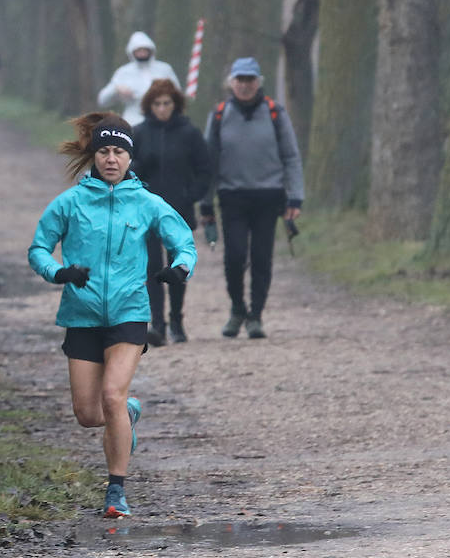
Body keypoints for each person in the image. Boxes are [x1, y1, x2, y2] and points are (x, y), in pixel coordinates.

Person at [29, 113, 196, 518]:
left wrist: (180, 269)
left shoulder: (146, 202)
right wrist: (59, 272)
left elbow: (184, 243)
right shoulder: (70, 203)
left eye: (119, 152)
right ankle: (128, 412)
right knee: (89, 415)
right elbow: (38, 249)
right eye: (103, 151)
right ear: (93, 155)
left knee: (111, 396)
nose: (111, 159)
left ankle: (116, 491)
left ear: (129, 157)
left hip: (129, 312)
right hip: (81, 314)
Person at [198, 57, 304, 340]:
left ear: (259, 82)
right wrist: (206, 202)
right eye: (240, 80)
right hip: (232, 195)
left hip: (269, 196)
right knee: (234, 256)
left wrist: (295, 198)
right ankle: (237, 308)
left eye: (250, 80)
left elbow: (291, 157)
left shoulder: (275, 113)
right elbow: (209, 161)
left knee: (261, 257)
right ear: (231, 83)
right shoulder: (219, 115)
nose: (245, 85)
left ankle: (256, 315)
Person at [132, 79, 211, 345]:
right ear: (149, 106)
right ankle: (158, 324)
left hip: (179, 210)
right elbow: (126, 171)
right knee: (152, 266)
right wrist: (139, 167)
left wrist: (191, 195)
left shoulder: (189, 133)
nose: (162, 108)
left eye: (167, 103)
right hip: (147, 212)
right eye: (157, 104)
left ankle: (176, 320)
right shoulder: (139, 133)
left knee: (177, 266)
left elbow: (205, 169)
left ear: (175, 104)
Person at [96, 32, 180, 126]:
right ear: (132, 52)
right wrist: (116, 89)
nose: (142, 53)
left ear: (151, 50)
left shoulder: (164, 69)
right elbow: (102, 100)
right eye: (139, 50)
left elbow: (177, 93)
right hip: (134, 120)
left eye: (145, 50)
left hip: (162, 119)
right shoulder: (124, 72)